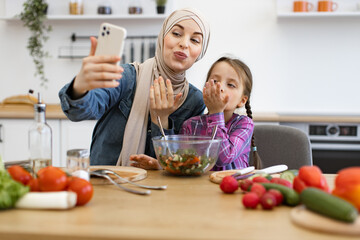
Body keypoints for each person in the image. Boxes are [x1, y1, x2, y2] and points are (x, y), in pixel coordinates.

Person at [58, 8, 210, 167]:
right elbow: (78, 112)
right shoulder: (127, 78)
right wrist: (80, 86)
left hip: (162, 190)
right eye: (177, 33)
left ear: (201, 51)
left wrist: (162, 122)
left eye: (195, 40)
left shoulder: (195, 101)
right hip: (109, 182)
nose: (184, 43)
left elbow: (184, 162)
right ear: (162, 37)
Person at [180, 56, 262, 170]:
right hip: (199, 187)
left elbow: (223, 157)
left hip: (233, 186)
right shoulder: (190, 125)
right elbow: (182, 164)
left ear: (242, 100)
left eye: (231, 85)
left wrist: (216, 113)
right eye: (215, 81)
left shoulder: (245, 124)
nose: (220, 87)